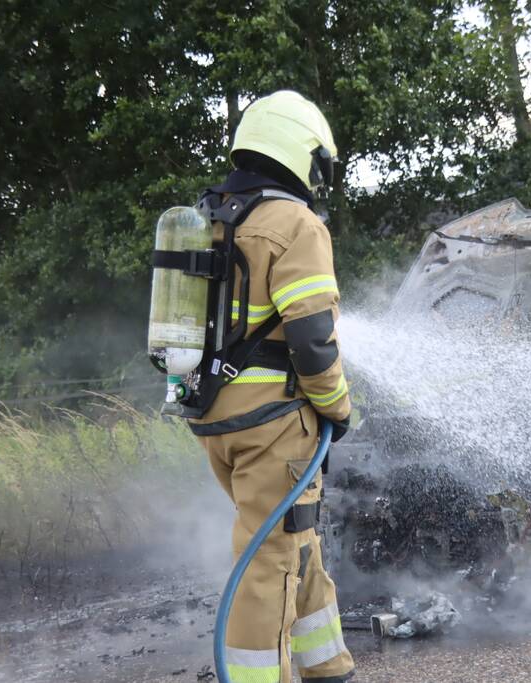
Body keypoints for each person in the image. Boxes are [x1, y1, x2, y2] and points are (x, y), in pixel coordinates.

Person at [189, 90, 355, 683]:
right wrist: (339, 406)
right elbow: (312, 338)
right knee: (268, 562)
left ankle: (327, 665)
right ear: (299, 150)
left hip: (218, 420)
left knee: (293, 543)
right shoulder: (295, 222)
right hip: (273, 426)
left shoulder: (214, 216)